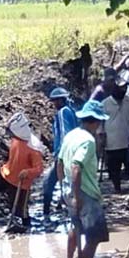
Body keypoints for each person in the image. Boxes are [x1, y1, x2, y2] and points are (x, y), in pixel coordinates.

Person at [57, 100, 110, 258]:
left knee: (76, 225)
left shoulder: (71, 135)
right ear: (96, 121)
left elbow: (59, 163)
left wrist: (64, 188)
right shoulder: (88, 141)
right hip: (84, 192)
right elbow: (76, 166)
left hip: (68, 189)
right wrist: (77, 196)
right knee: (94, 235)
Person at [42, 87, 78, 223]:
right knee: (66, 181)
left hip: (63, 154)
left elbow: (64, 133)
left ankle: (46, 213)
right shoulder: (71, 111)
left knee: (48, 183)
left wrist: (61, 155)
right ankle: (64, 205)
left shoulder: (63, 113)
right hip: (70, 153)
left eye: (55, 101)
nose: (54, 104)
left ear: (60, 100)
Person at [100, 78, 129, 194]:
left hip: (127, 141)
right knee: (114, 168)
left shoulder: (128, 102)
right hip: (112, 142)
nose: (124, 90)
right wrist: (101, 138)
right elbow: (100, 123)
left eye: (125, 88)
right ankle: (117, 188)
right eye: (121, 88)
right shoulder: (105, 104)